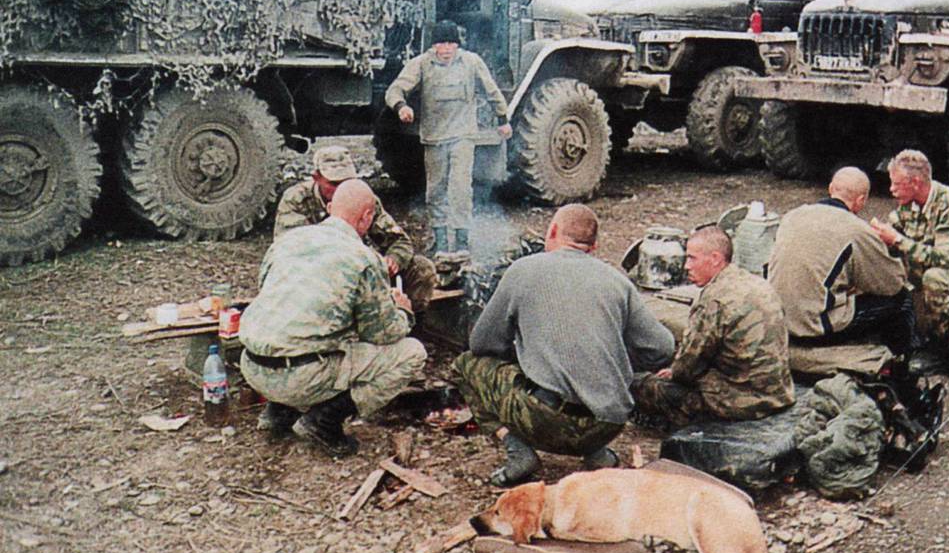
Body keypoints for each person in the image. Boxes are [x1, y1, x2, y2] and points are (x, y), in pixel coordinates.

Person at [453, 204, 675, 486]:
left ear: (553, 231)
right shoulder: (617, 281)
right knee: (587, 382)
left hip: (544, 420)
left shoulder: (523, 270)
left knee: (464, 365)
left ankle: (518, 451)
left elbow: (482, 344)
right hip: (608, 424)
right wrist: (617, 361)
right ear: (594, 246)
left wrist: (523, 350)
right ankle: (595, 454)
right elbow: (663, 347)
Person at [239, 180, 426, 457]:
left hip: (252, 366)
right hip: (301, 376)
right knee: (412, 353)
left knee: (308, 329)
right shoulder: (363, 258)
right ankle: (324, 420)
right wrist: (403, 310)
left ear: (330, 208)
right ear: (366, 217)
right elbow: (383, 334)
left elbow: (276, 299)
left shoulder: (288, 241)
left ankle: (279, 410)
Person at [631, 226, 794, 429]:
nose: (686, 266)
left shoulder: (715, 300)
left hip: (743, 403)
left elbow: (689, 364)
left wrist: (673, 372)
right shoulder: (757, 283)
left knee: (641, 384)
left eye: (692, 258)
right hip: (778, 392)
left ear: (715, 258)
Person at [384, 20, 512, 255]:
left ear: (457, 45)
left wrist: (503, 120)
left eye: (450, 44)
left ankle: (462, 241)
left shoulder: (471, 62)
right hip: (434, 138)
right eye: (440, 44)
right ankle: (441, 240)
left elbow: (492, 91)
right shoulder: (421, 64)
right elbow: (394, 89)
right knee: (435, 190)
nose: (445, 49)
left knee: (461, 188)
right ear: (433, 46)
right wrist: (401, 106)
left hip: (463, 136)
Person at [869, 149, 949, 369]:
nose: (891, 190)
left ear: (916, 183)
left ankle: (937, 349)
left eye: (896, 184)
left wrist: (898, 240)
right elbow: (895, 237)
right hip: (937, 277)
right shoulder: (908, 205)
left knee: (934, 277)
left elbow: (942, 259)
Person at [768, 166, 918, 354]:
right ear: (861, 201)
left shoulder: (792, 215)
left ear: (831, 189)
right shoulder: (857, 229)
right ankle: (900, 368)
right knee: (902, 301)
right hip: (814, 328)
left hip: (779, 321)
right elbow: (893, 285)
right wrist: (890, 246)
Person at [274, 144, 435, 314]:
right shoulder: (296, 200)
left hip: (362, 274)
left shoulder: (360, 197)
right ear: (316, 177)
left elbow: (399, 240)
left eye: (347, 181)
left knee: (422, 268)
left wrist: (393, 259)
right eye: (333, 183)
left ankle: (409, 325)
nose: (341, 189)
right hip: (318, 279)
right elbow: (290, 251)